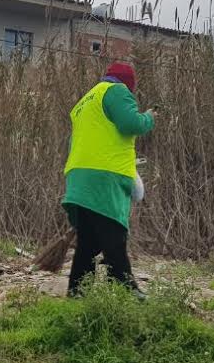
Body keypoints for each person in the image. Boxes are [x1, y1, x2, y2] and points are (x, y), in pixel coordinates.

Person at [62, 61, 155, 295]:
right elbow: (130, 124)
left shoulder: (86, 100)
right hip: (104, 176)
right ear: (129, 83)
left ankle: (77, 293)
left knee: (88, 242)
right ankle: (127, 289)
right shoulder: (117, 91)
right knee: (113, 234)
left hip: (79, 177)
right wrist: (148, 117)